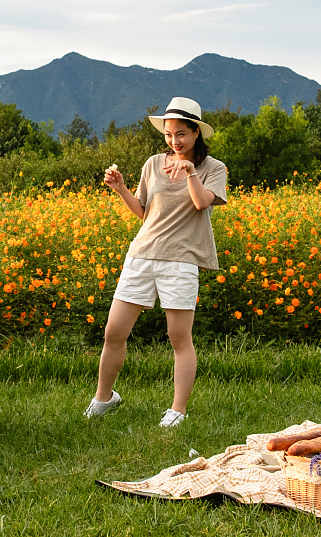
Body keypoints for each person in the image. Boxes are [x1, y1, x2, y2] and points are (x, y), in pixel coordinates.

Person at [84, 97, 228, 428]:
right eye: (168, 134)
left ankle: (177, 411)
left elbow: (201, 202)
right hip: (142, 254)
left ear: (195, 134)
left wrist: (191, 171)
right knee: (113, 332)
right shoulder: (153, 163)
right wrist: (121, 189)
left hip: (181, 260)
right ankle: (104, 398)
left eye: (181, 134)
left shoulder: (213, 168)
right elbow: (145, 213)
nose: (174, 141)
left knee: (179, 338)